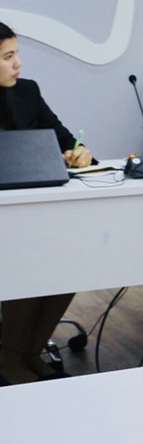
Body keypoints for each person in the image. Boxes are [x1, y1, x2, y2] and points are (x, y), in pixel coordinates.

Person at [0, 21, 91, 385]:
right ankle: (9, 359)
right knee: (29, 261)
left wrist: (79, 152)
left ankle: (30, 352)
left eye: (17, 53)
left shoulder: (27, 91)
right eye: (8, 56)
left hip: (30, 212)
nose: (18, 63)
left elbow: (65, 139)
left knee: (67, 261)